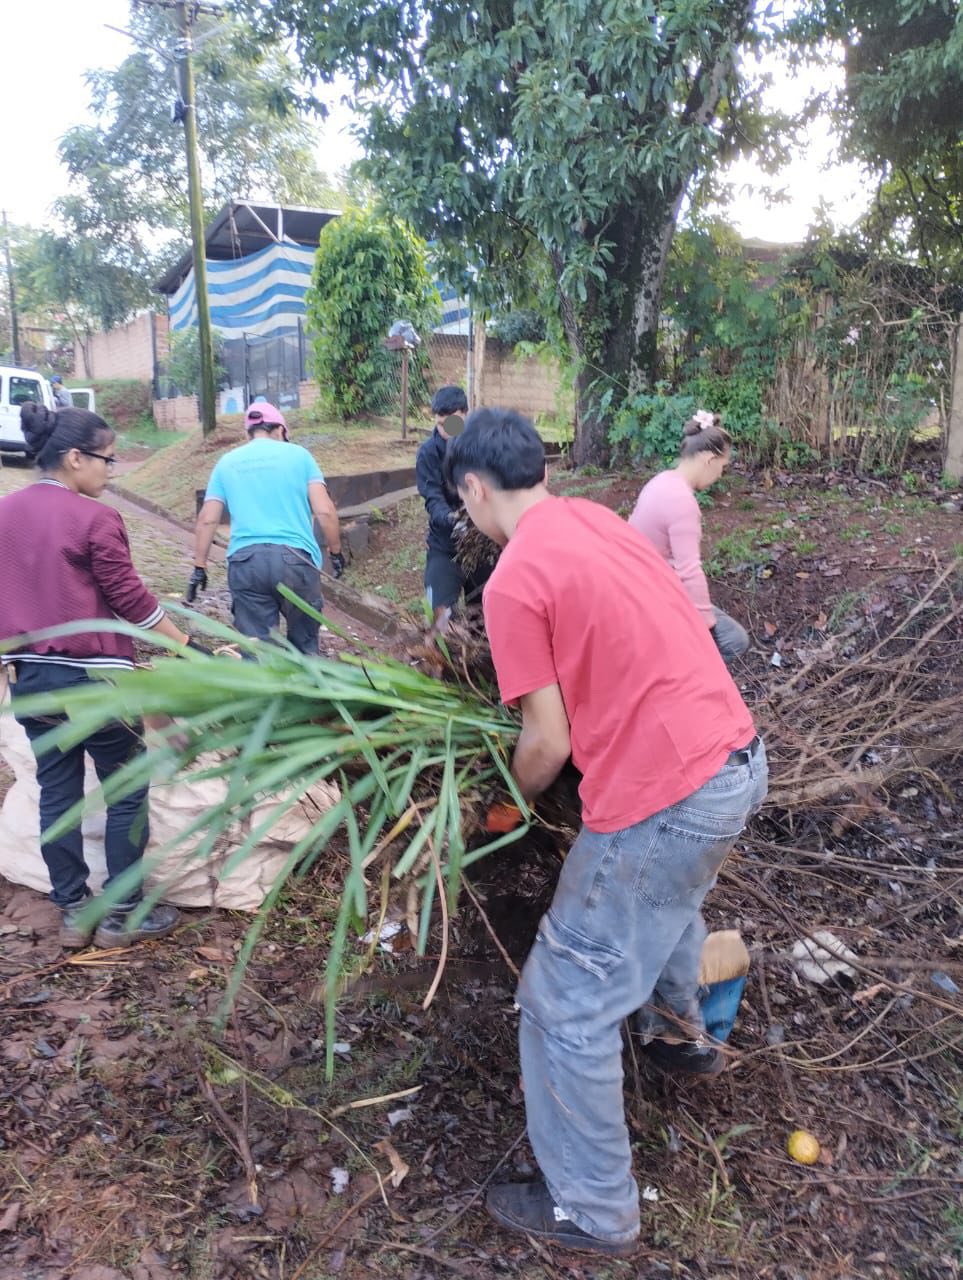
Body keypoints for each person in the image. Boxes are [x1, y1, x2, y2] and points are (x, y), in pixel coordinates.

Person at [445, 408, 768, 1259]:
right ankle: (678, 1036)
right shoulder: (594, 518)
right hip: (735, 758)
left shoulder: (514, 579)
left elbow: (544, 742)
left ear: (474, 488)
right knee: (665, 900)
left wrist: (503, 807)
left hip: (668, 795)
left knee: (563, 1001)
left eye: (463, 499)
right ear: (543, 472)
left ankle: (592, 1209)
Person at [0, 404, 202, 949]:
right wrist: (188, 646)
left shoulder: (4, 513)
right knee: (126, 788)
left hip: (33, 681)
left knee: (58, 792)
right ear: (74, 457)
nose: (110, 471)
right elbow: (131, 600)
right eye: (107, 460)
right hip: (97, 681)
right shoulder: (95, 518)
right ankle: (122, 912)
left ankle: (72, 910)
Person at [191, 402, 345, 655]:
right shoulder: (300, 456)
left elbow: (207, 519)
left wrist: (199, 566)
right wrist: (336, 552)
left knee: (257, 651)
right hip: (295, 561)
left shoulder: (227, 463)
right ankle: (306, 677)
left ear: (248, 434)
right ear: (281, 430)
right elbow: (325, 511)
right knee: (305, 647)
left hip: (246, 563)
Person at [627, 409, 749, 661]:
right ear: (709, 459)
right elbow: (690, 570)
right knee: (734, 640)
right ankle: (686, 673)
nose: (720, 474)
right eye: (722, 466)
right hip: (654, 596)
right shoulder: (682, 501)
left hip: (638, 584)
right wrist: (706, 627)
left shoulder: (661, 481)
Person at [415, 384, 492, 628]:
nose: (447, 431)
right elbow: (433, 499)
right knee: (437, 619)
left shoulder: (482, 448)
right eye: (441, 425)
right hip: (445, 546)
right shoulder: (428, 454)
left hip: (483, 545)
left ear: (466, 415)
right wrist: (453, 520)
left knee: (487, 619)